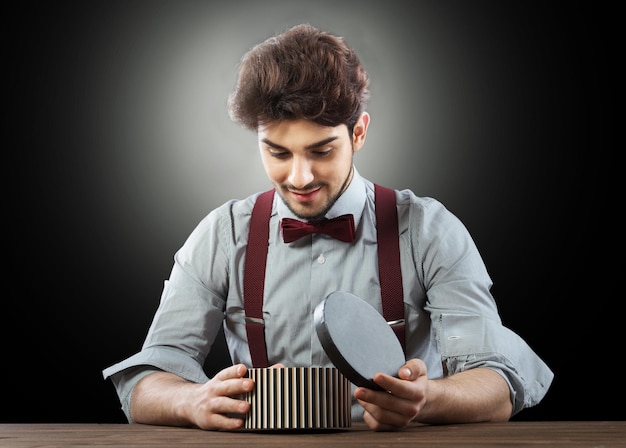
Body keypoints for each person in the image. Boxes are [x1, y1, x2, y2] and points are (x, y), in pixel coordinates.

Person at [103, 23, 553, 432]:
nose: (299, 178)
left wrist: (428, 399)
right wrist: (191, 400)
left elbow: (498, 379)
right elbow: (146, 381)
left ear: (358, 133)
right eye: (278, 153)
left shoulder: (429, 229)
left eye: (321, 151)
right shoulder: (223, 234)